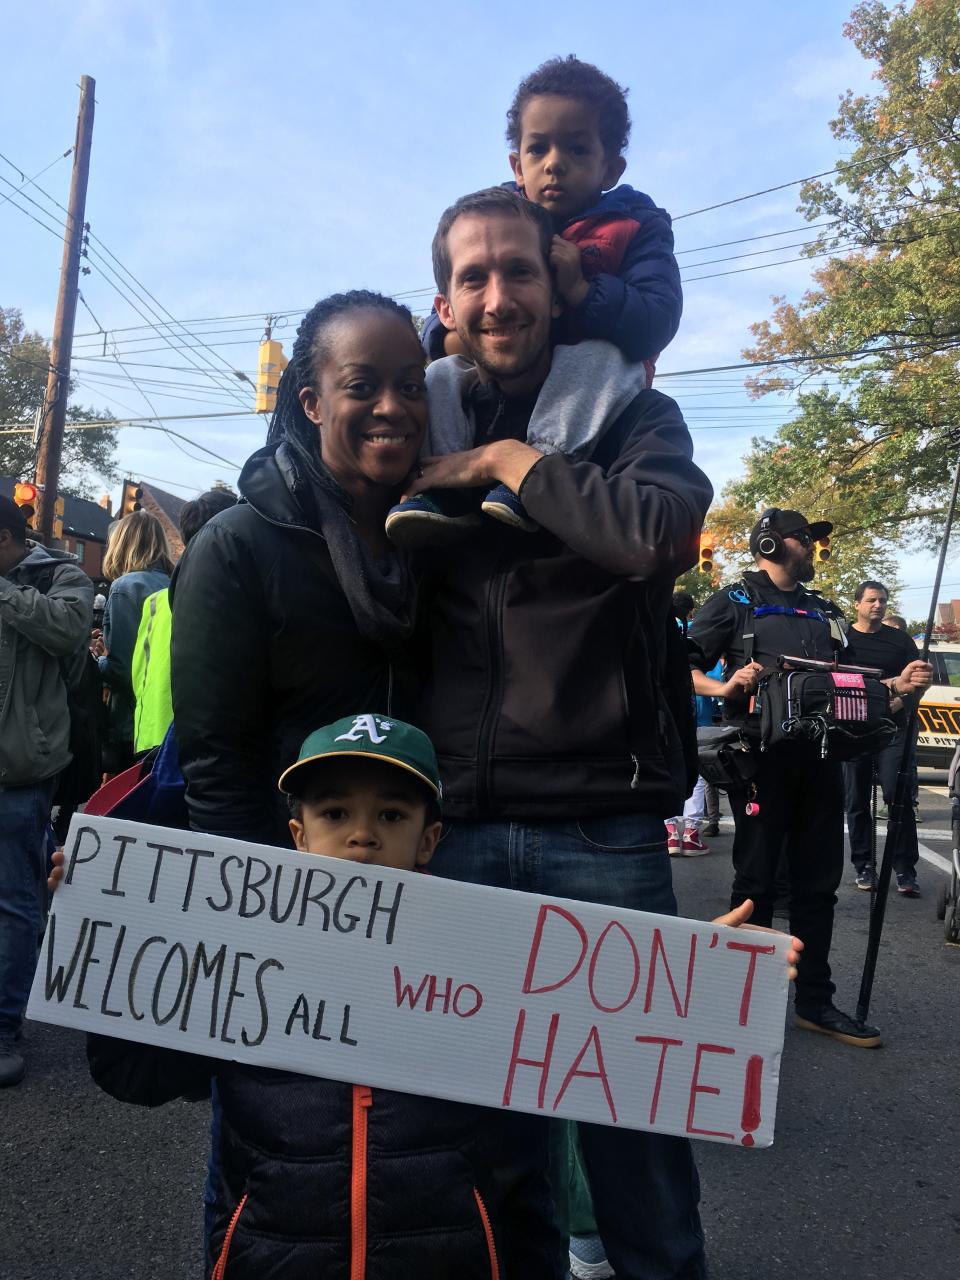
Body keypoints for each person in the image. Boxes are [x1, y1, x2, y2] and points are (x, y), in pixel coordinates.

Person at [404, 186, 712, 1280]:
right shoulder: (412, 407)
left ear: (557, 282)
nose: (498, 295)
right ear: (442, 302)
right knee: (478, 1148)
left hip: (603, 825)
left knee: (636, 1150)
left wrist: (505, 465)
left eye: (519, 271)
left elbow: (660, 531)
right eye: (473, 277)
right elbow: (298, 475)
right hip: (454, 829)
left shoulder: (632, 410)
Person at [77, 715, 565, 1279]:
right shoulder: (245, 958)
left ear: (428, 839)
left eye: (392, 814)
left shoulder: (483, 975)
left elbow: (522, 1172)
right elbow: (136, 1074)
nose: (363, 835)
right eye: (335, 814)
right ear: (299, 836)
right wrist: (100, 921)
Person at [168, 291, 432, 1260]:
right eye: (362, 384)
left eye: (411, 385)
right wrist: (264, 931)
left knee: (399, 1162)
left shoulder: (430, 542)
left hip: (415, 910)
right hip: (283, 921)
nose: (394, 406)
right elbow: (215, 766)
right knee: (265, 1161)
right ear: (310, 398)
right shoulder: (238, 546)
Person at [388, 55, 682, 544]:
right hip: (506, 382)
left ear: (611, 167)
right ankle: (440, 484)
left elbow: (657, 319)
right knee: (440, 375)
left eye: (576, 149)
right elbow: (456, 295)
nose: (554, 164)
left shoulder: (637, 224)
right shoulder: (496, 218)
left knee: (599, 356)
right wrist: (445, 337)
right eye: (538, 148)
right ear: (516, 165)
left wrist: (583, 291)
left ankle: (535, 468)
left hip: (594, 384)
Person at [688, 508, 932, 1049]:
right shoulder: (734, 599)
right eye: (805, 539)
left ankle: (815, 1003)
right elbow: (681, 666)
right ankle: (737, 1003)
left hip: (823, 760)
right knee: (756, 885)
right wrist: (723, 689)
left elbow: (850, 683)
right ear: (772, 544)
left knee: (818, 887)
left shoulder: (826, 610)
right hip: (760, 762)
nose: (815, 549)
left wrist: (897, 688)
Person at [0, 495, 93, 1086]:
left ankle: (5, 1026)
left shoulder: (62, 575)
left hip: (22, 769)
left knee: (13, 901)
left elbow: (68, 631)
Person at [130, 487, 237, 754]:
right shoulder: (237, 596)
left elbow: (137, 673)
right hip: (209, 742)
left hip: (153, 736)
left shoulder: (154, 602)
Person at [843, 580, 930, 896]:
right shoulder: (844, 640)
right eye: (871, 600)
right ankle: (864, 866)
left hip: (894, 728)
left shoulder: (901, 641)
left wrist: (902, 701)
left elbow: (921, 680)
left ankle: (905, 869)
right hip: (853, 729)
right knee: (856, 800)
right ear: (857, 604)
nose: (877, 605)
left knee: (897, 794)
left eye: (882, 600)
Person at [97, 510, 174, 773]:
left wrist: (97, 661)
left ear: (121, 543)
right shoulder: (175, 584)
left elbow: (124, 670)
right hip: (167, 721)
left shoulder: (125, 588)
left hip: (132, 723)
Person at [666, 590, 711, 856]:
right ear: (691, 611)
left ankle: (671, 832)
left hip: (668, 714)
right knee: (697, 774)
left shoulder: (660, 628)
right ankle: (691, 833)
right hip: (700, 712)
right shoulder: (695, 634)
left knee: (667, 765)